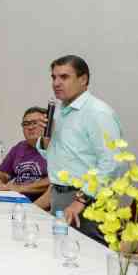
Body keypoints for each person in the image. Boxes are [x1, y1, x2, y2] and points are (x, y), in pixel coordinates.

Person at [38, 55, 122, 241]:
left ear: (83, 79)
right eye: (53, 77)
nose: (56, 83)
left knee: (87, 261)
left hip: (87, 201)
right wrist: (45, 138)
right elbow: (56, 154)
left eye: (64, 77)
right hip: (59, 195)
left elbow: (111, 163)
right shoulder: (59, 111)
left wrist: (80, 200)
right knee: (61, 255)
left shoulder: (98, 113)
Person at [0, 107, 50, 201]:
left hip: (39, 205)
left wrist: (19, 188)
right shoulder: (20, 147)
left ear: (46, 125)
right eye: (26, 124)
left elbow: (55, 181)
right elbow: (2, 172)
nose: (30, 127)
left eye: (35, 123)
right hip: (14, 200)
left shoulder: (56, 148)